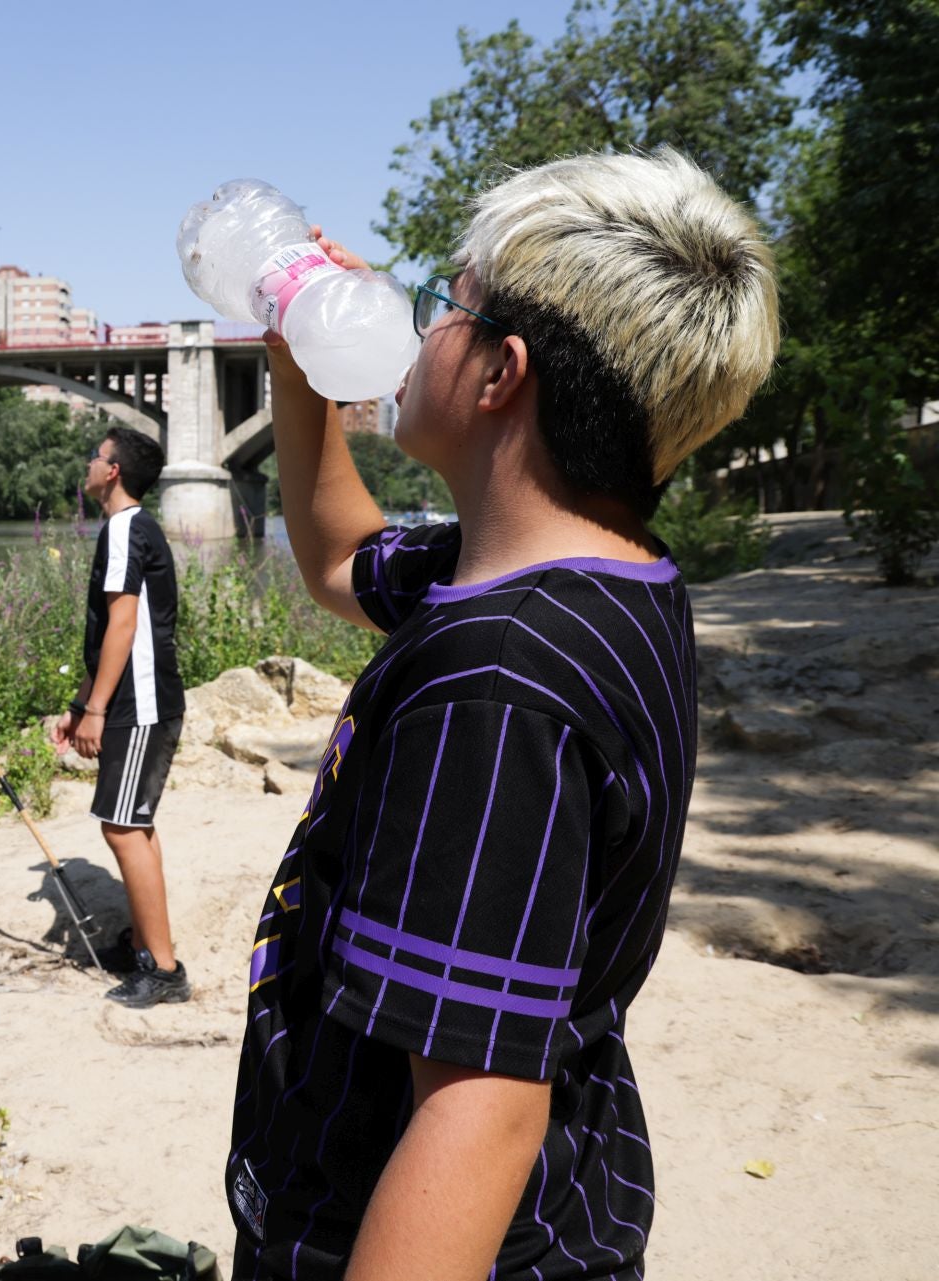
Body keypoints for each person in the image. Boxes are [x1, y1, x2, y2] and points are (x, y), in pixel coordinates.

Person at [225, 148, 780, 1280]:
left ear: (497, 374)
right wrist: (299, 368)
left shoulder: (497, 678)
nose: (418, 325)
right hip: (564, 1197)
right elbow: (337, 559)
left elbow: (477, 1115)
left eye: (447, 305)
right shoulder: (599, 580)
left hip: (390, 1225)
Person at [52, 425, 190, 1009]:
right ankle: (145, 944)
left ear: (111, 472)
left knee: (122, 828)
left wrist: (100, 710)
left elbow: (124, 626)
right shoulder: (126, 529)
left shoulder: (125, 529)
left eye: (95, 456)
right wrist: (80, 706)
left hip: (141, 705)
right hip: (137, 700)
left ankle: (163, 971)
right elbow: (107, 636)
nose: (87, 463)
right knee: (135, 824)